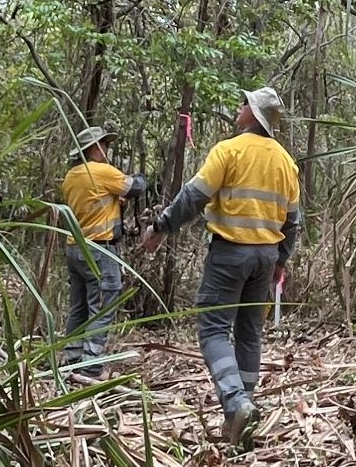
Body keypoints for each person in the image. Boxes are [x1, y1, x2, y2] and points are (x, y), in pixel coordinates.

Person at [141, 87, 299, 446]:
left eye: (245, 103)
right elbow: (293, 222)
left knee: (213, 329)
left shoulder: (230, 150)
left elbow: (194, 196)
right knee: (249, 333)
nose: (239, 107)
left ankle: (235, 400)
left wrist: (161, 227)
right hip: (265, 257)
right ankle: (242, 417)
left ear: (253, 115)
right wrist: (281, 262)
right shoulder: (286, 162)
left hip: (230, 253)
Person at [57, 125, 145, 379]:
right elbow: (135, 186)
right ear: (95, 148)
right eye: (105, 145)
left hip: (75, 248)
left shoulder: (71, 176)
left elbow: (93, 203)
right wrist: (140, 179)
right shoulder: (101, 172)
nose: (106, 151)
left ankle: (72, 359)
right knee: (103, 307)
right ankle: (92, 366)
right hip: (99, 250)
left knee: (79, 306)